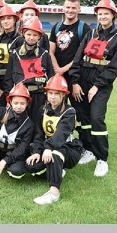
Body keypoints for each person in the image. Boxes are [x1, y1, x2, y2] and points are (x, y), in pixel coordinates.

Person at [68, 0, 117, 178]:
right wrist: (75, 82)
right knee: (83, 118)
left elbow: (113, 69)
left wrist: (97, 86)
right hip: (82, 82)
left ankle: (102, 159)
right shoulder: (90, 34)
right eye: (100, 14)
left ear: (113, 16)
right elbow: (77, 60)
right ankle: (88, 149)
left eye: (106, 14)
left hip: (100, 85)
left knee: (96, 118)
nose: (102, 17)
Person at [22, 74, 84, 205]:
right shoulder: (43, 109)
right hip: (49, 146)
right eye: (50, 93)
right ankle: (57, 171)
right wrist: (37, 152)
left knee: (55, 154)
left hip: (69, 148)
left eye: (57, 93)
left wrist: (48, 148)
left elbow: (61, 135)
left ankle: (54, 192)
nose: (53, 97)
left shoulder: (69, 112)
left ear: (63, 95)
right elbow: (39, 134)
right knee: (30, 165)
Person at [8, 17, 54, 123]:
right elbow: (9, 78)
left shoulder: (44, 54)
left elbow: (50, 76)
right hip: (21, 96)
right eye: (29, 34)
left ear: (39, 37)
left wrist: (48, 97)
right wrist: (10, 96)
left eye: (35, 35)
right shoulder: (15, 53)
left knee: (37, 123)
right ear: (23, 34)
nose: (31, 38)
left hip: (39, 96)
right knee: (21, 124)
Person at [49, 0, 88, 88]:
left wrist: (63, 69)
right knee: (57, 102)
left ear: (79, 9)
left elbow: (83, 55)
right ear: (63, 8)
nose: (70, 10)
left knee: (77, 102)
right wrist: (57, 69)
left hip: (75, 75)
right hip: (57, 73)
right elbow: (50, 51)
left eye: (74, 8)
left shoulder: (84, 28)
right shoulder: (56, 27)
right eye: (68, 7)